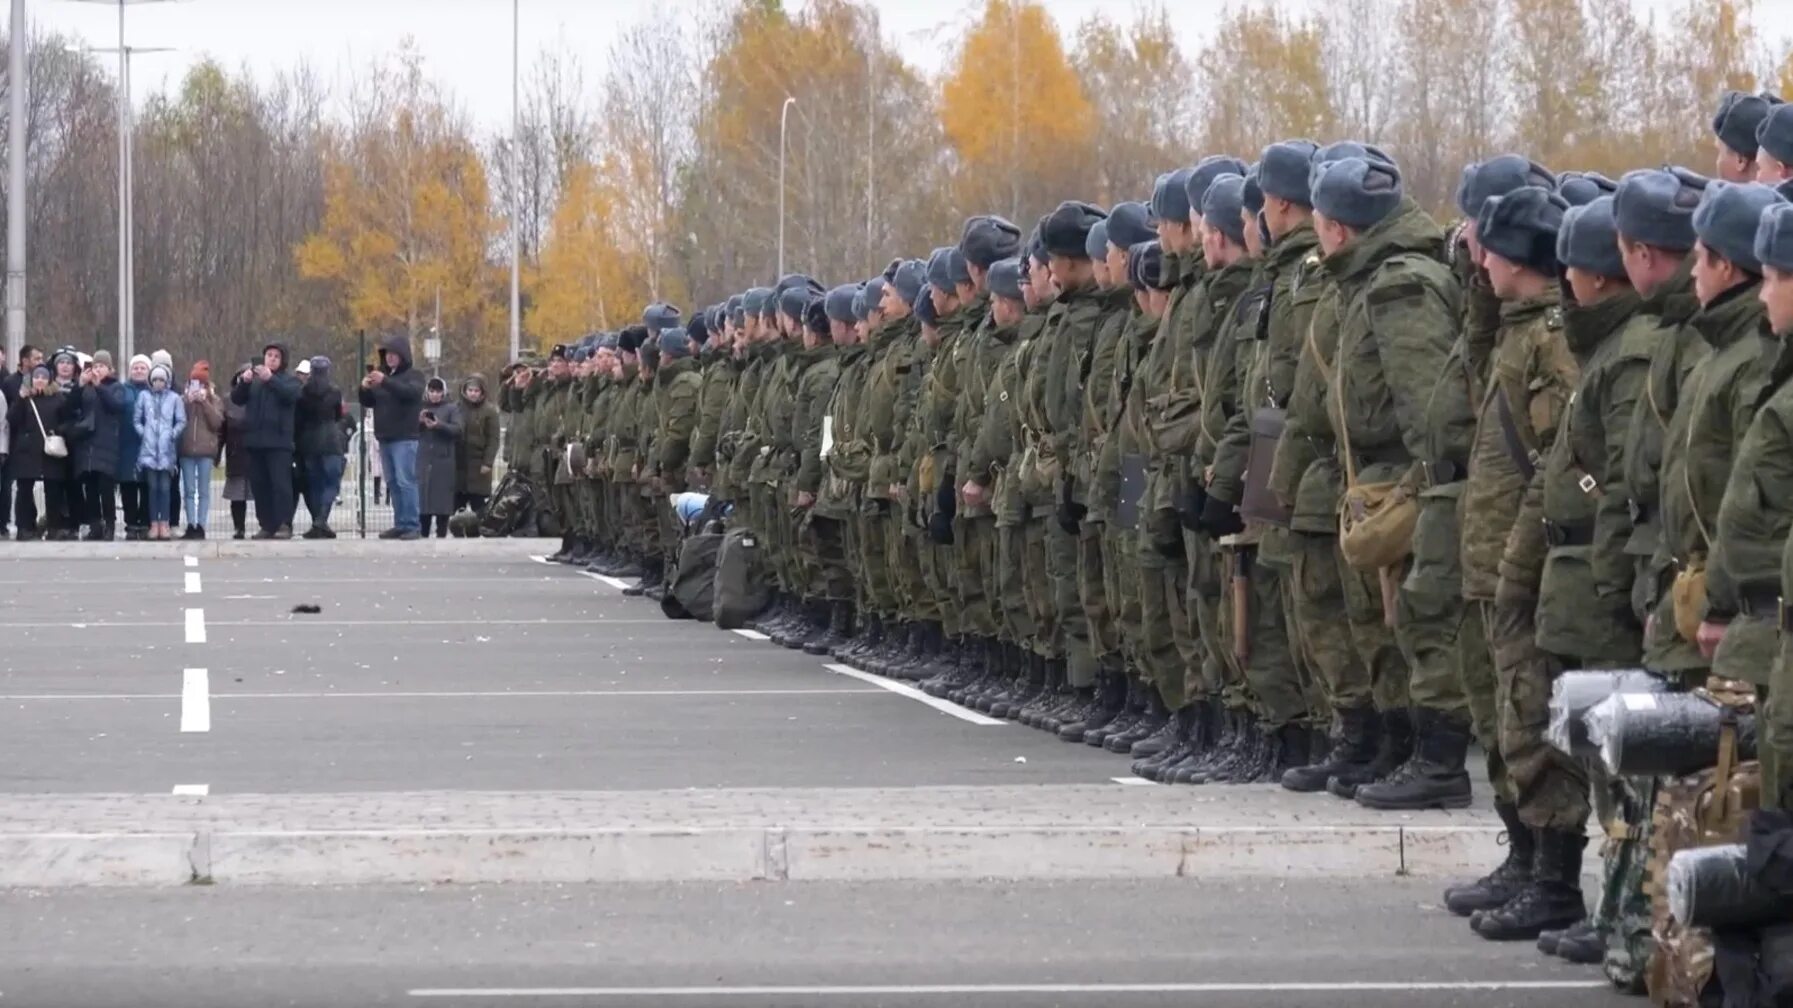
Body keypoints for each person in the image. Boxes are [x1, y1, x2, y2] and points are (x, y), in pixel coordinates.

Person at [230, 342, 302, 539]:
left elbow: (290, 396)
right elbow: (236, 399)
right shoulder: (255, 382)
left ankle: (284, 523)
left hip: (279, 442)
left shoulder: (290, 381)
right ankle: (267, 524)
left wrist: (271, 380)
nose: (271, 359)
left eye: (276, 356)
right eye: (268, 355)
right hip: (255, 441)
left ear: (283, 361)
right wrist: (243, 383)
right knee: (260, 486)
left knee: (280, 485)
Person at [360, 336, 425, 539]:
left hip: (405, 436)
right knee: (393, 482)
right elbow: (370, 402)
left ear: (403, 356)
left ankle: (412, 524)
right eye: (387, 355)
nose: (389, 358)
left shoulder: (414, 376)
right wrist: (364, 389)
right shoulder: (382, 378)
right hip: (385, 437)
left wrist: (385, 381)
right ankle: (400, 522)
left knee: (406, 481)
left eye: (394, 354)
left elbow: (411, 393)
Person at [8, 365, 69, 539]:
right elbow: (12, 419)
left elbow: (66, 420)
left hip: (50, 449)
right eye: (36, 377)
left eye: (43, 377)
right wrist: (20, 399)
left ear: (49, 379)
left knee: (53, 490)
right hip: (27, 450)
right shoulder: (25, 398)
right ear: (31, 379)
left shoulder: (58, 398)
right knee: (25, 489)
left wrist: (58, 431)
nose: (40, 380)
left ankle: (53, 527)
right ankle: (24, 527)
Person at [72, 350, 127, 541]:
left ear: (109, 369)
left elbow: (116, 406)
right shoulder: (85, 388)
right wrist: (79, 386)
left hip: (106, 444)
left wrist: (100, 387)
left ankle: (110, 525)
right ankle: (95, 526)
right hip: (87, 445)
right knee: (91, 488)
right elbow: (71, 407)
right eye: (95, 366)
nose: (97, 370)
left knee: (106, 488)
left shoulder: (116, 387)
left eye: (102, 366)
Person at [133, 362, 187, 541]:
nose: (158, 383)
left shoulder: (174, 398)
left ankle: (164, 523)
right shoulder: (143, 396)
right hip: (148, 451)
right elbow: (136, 419)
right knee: (152, 488)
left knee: (165, 488)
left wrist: (172, 434)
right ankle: (153, 524)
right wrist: (144, 433)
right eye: (155, 379)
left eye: (161, 380)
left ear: (167, 381)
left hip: (166, 451)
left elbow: (181, 420)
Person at [296, 355, 347, 538]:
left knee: (315, 483)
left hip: (308, 440)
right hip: (330, 439)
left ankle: (318, 521)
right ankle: (321, 519)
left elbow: (299, 418)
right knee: (332, 481)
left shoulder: (302, 392)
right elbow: (337, 415)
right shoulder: (334, 391)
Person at [178, 362, 225, 539]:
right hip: (187, 450)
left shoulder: (215, 401)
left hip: (205, 451)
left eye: (201, 384)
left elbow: (217, 423)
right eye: (193, 383)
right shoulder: (183, 401)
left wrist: (205, 402)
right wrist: (187, 401)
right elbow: (178, 418)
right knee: (189, 491)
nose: (197, 388)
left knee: (203, 491)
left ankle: (202, 525)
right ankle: (191, 524)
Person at [416, 376, 462, 538]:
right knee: (423, 500)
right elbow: (410, 431)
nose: (435, 395)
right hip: (423, 459)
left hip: (443, 460)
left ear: (443, 393)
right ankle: (423, 533)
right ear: (427, 392)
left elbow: (457, 429)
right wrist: (420, 422)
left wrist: (439, 425)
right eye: (432, 391)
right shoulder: (420, 408)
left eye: (438, 391)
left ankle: (441, 534)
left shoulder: (451, 409)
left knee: (442, 502)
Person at [455, 374, 499, 515]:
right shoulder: (457, 408)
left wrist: (488, 462)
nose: (473, 394)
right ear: (465, 391)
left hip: (479, 463)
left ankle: (480, 530)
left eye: (476, 391)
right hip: (459, 463)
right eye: (470, 390)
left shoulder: (490, 411)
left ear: (482, 392)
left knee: (479, 504)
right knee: (457, 501)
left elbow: (493, 439)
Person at [221, 364, 253, 539]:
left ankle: (266, 525)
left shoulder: (259, 398)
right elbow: (222, 429)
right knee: (237, 495)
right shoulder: (228, 400)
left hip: (256, 452)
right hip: (236, 452)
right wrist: (217, 453)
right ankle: (238, 528)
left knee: (260, 493)